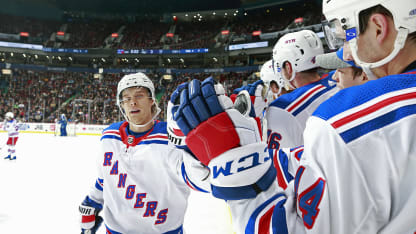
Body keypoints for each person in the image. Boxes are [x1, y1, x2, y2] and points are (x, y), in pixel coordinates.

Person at [170, 0, 416, 232]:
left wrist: (233, 166)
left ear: (377, 28)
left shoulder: (344, 117)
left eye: (347, 35)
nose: (346, 54)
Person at [79, 72, 209, 234]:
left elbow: (198, 179)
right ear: (121, 105)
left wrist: (210, 156)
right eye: (126, 98)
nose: (132, 102)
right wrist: (91, 202)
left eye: (139, 96)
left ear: (151, 101)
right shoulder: (109, 136)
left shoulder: (171, 138)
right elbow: (105, 178)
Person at [266, 30, 338, 152]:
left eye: (280, 67)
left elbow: (278, 163)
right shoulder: (341, 78)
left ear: (289, 67)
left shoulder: (283, 107)